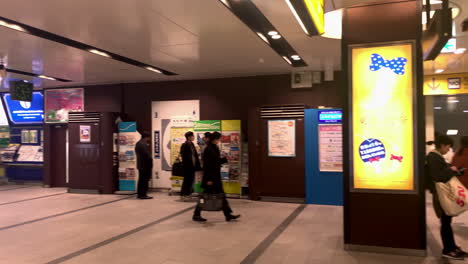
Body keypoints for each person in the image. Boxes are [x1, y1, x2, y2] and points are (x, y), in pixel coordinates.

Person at [426, 136, 467, 260]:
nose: (448, 150)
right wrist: (452, 170)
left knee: (447, 221)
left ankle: (452, 247)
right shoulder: (433, 157)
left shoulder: (436, 156)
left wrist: (455, 170)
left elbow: (442, 171)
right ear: (443, 145)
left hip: (442, 195)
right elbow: (437, 176)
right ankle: (448, 249)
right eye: (448, 147)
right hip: (440, 195)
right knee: (445, 222)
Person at [193, 132, 240, 222]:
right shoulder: (209, 149)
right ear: (215, 139)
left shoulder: (214, 147)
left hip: (215, 177)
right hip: (211, 178)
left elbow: (216, 161)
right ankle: (196, 214)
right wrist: (209, 179)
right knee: (204, 196)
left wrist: (225, 159)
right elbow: (208, 165)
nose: (219, 140)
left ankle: (228, 214)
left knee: (221, 195)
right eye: (218, 139)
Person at [180, 131, 201, 200]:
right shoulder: (184, 145)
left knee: (191, 180)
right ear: (189, 137)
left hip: (192, 166)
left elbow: (194, 155)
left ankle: (188, 194)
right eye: (192, 136)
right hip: (187, 166)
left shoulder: (191, 144)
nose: (193, 137)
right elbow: (183, 156)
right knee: (187, 180)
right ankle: (183, 195)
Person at [135, 132, 153, 199]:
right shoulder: (142, 144)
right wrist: (150, 159)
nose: (149, 139)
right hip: (144, 165)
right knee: (144, 180)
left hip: (141, 165)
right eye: (148, 137)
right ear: (146, 137)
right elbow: (146, 155)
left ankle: (140, 194)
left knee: (141, 180)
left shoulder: (138, 143)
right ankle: (143, 194)